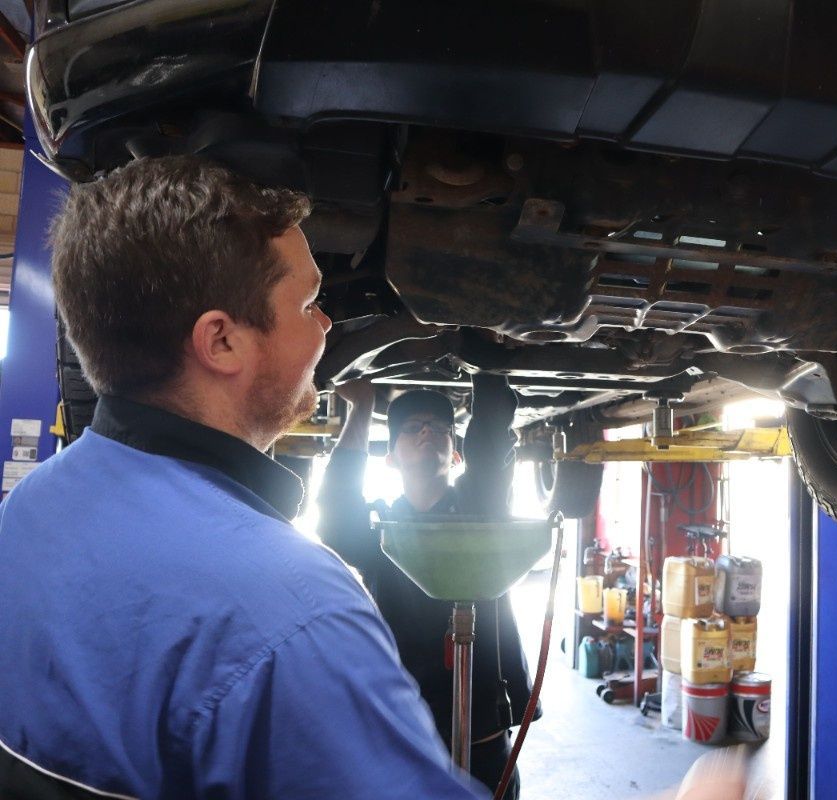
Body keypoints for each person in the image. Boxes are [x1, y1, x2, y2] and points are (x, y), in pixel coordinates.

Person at [0, 156, 487, 799]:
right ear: (221, 342)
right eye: (308, 303)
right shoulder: (295, 614)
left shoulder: (29, 507)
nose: (327, 324)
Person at [317, 372, 535, 799]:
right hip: (405, 726)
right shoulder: (378, 529)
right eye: (412, 427)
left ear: (455, 453)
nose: (426, 432)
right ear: (390, 458)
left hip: (482, 730)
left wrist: (488, 369)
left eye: (439, 427)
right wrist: (361, 407)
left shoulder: (480, 507)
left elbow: (491, 447)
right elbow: (335, 514)